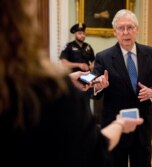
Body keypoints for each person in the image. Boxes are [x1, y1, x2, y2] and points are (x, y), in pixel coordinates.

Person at [0, 1, 143, 166]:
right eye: (121, 28)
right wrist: (119, 124)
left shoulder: (88, 48)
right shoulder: (52, 93)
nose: (82, 35)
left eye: (130, 27)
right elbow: (94, 151)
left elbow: (93, 65)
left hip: (81, 84)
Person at [92, 9, 152, 167]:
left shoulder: (151, 53)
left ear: (137, 30)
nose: (126, 32)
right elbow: (94, 85)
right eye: (121, 28)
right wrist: (98, 85)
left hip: (142, 127)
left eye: (130, 27)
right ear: (115, 32)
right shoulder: (103, 57)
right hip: (115, 126)